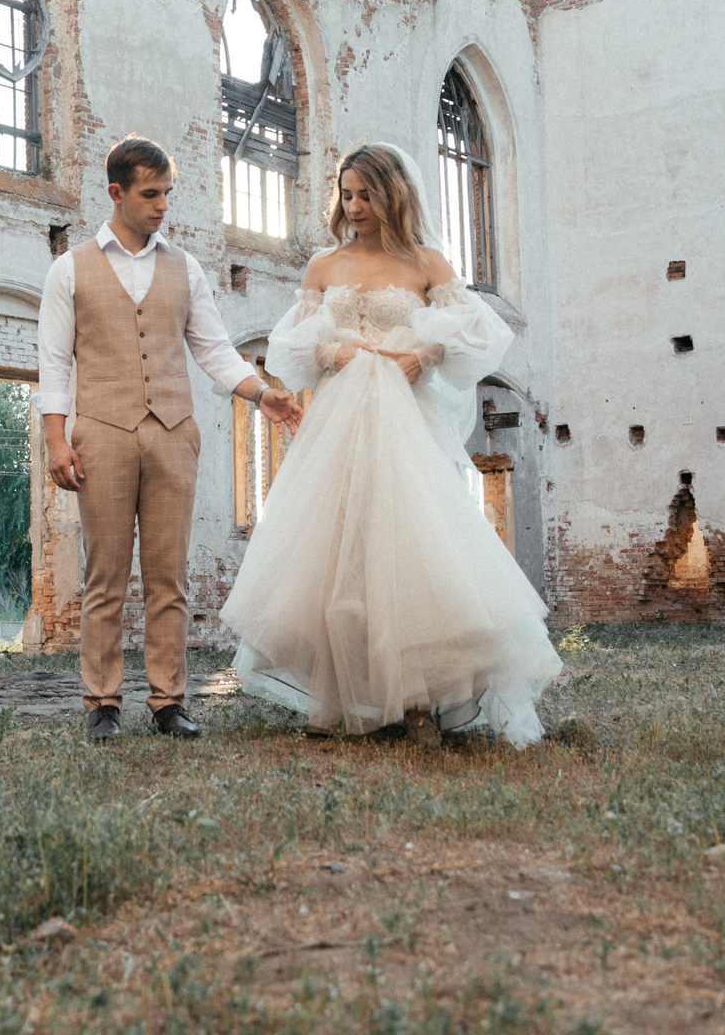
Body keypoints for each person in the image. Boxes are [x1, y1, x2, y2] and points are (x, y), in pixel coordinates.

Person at [220, 143, 561, 745]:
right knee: (335, 553)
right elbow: (290, 348)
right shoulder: (323, 267)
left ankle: (422, 701)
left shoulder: (426, 262)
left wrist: (422, 354)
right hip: (338, 424)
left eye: (365, 194)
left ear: (393, 193)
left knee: (410, 546)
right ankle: (342, 699)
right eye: (346, 194)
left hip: (406, 422)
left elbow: (477, 338)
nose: (353, 206)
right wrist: (331, 351)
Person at [38, 137, 306, 742]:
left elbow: (212, 347)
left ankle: (168, 702)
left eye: (167, 194)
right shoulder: (69, 268)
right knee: (104, 575)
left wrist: (262, 394)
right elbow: (54, 363)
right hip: (100, 434)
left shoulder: (185, 268)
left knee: (169, 576)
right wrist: (57, 441)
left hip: (173, 435)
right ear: (117, 193)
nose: (163, 207)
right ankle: (102, 703)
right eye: (150, 195)